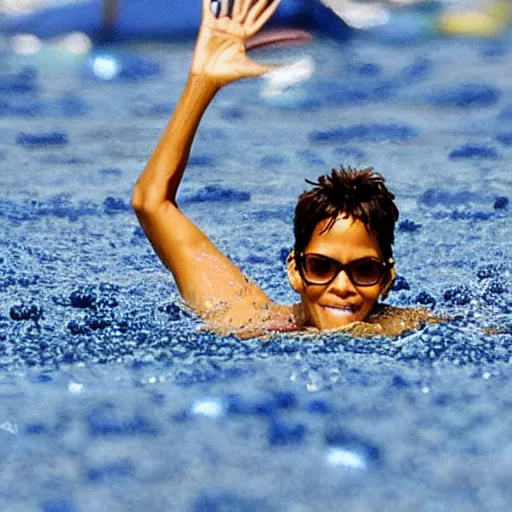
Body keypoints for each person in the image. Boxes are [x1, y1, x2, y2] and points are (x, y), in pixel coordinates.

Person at [132, 0, 433, 338]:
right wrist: (202, 82)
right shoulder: (252, 320)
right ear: (295, 270)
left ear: (387, 280)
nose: (343, 287)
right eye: (321, 267)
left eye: (364, 270)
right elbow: (151, 202)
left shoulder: (408, 328)